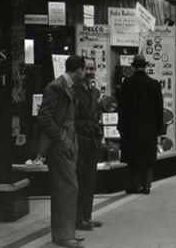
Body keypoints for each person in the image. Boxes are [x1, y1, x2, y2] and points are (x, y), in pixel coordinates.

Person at [37, 54, 86, 247]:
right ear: (79, 70)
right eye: (84, 69)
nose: (86, 72)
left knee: (67, 188)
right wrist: (60, 137)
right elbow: (44, 117)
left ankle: (66, 232)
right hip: (61, 146)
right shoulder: (56, 87)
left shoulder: (67, 87)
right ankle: (65, 235)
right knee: (67, 188)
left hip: (68, 144)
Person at [118, 55, 163, 194]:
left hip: (132, 128)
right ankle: (147, 185)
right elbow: (159, 109)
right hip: (149, 128)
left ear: (133, 66)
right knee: (147, 157)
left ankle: (134, 184)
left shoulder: (127, 83)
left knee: (133, 158)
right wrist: (159, 130)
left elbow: (122, 107)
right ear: (146, 66)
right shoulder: (154, 84)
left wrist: (121, 126)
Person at [74, 57, 104, 232]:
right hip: (80, 138)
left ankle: (87, 215)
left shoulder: (95, 92)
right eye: (87, 69)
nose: (90, 72)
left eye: (93, 69)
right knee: (80, 179)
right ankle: (78, 218)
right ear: (81, 70)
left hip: (93, 139)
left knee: (90, 180)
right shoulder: (73, 91)